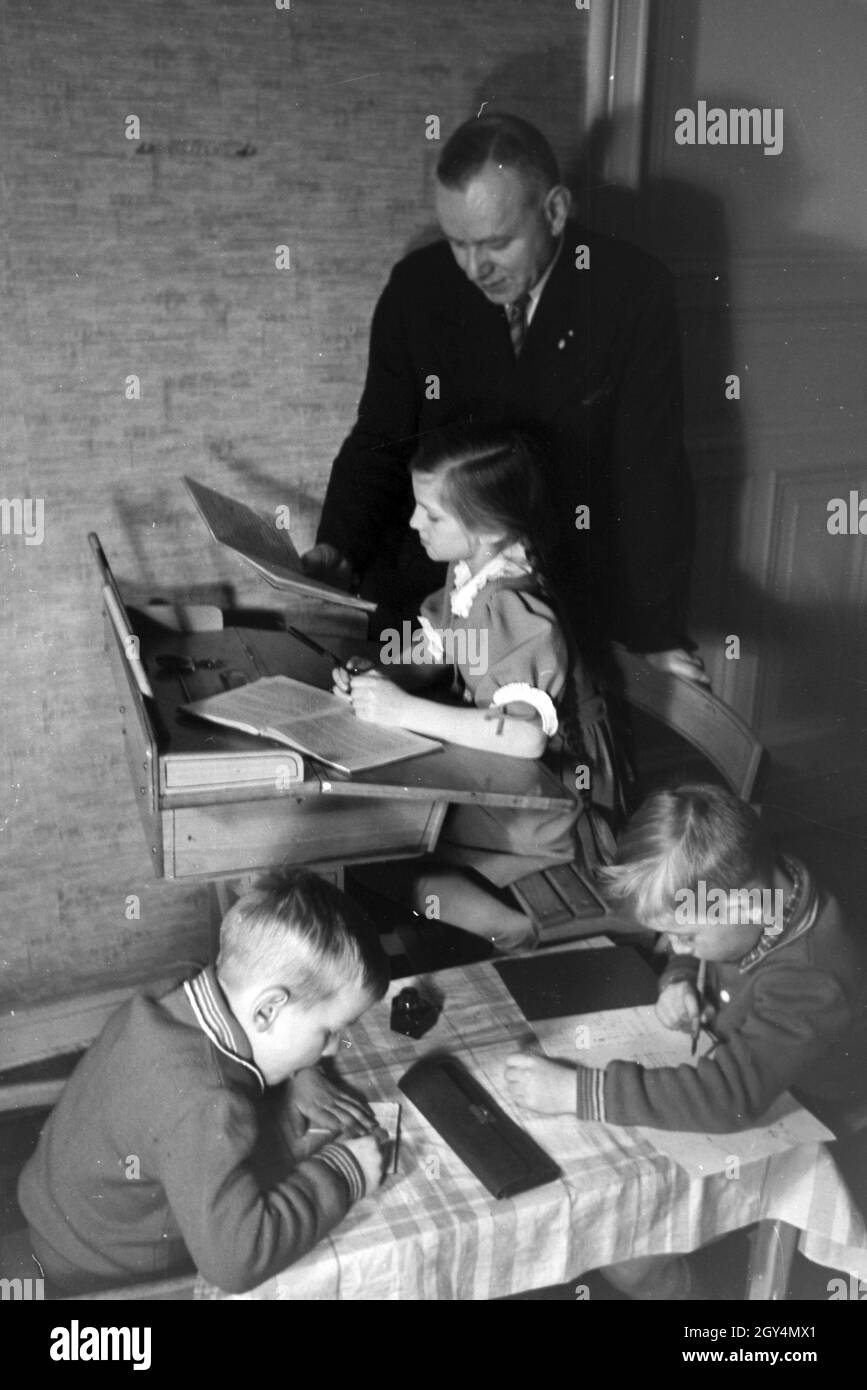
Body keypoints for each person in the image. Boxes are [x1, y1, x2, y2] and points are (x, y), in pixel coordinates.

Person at [305, 113, 707, 685]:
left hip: (564, 618)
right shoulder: (417, 290)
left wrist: (654, 632)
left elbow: (651, 474)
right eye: (457, 242)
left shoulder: (631, 293)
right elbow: (380, 438)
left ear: (555, 211)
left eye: (496, 243)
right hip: (428, 605)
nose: (474, 268)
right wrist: (338, 546)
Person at [503, 783, 866, 1297]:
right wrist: (679, 974)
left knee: (626, 1250)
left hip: (806, 1115)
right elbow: (710, 942)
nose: (675, 946)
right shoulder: (758, 890)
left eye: (686, 937)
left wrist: (578, 1093)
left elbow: (728, 1100)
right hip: (736, 1061)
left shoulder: (811, 976)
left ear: (741, 901)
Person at [18, 871, 390, 1296]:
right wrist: (344, 1173)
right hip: (103, 1268)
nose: (332, 1050)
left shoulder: (185, 982)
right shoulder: (205, 1104)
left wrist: (300, 1071)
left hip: (59, 1214)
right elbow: (237, 1261)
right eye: (328, 1032)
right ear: (268, 1011)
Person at [332, 425, 619, 952]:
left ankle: (510, 931)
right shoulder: (472, 570)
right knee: (370, 845)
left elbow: (526, 739)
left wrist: (401, 710)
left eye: (432, 514)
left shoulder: (513, 606)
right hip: (496, 772)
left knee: (371, 852)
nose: (414, 521)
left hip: (548, 799)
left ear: (487, 528)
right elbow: (440, 647)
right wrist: (379, 672)